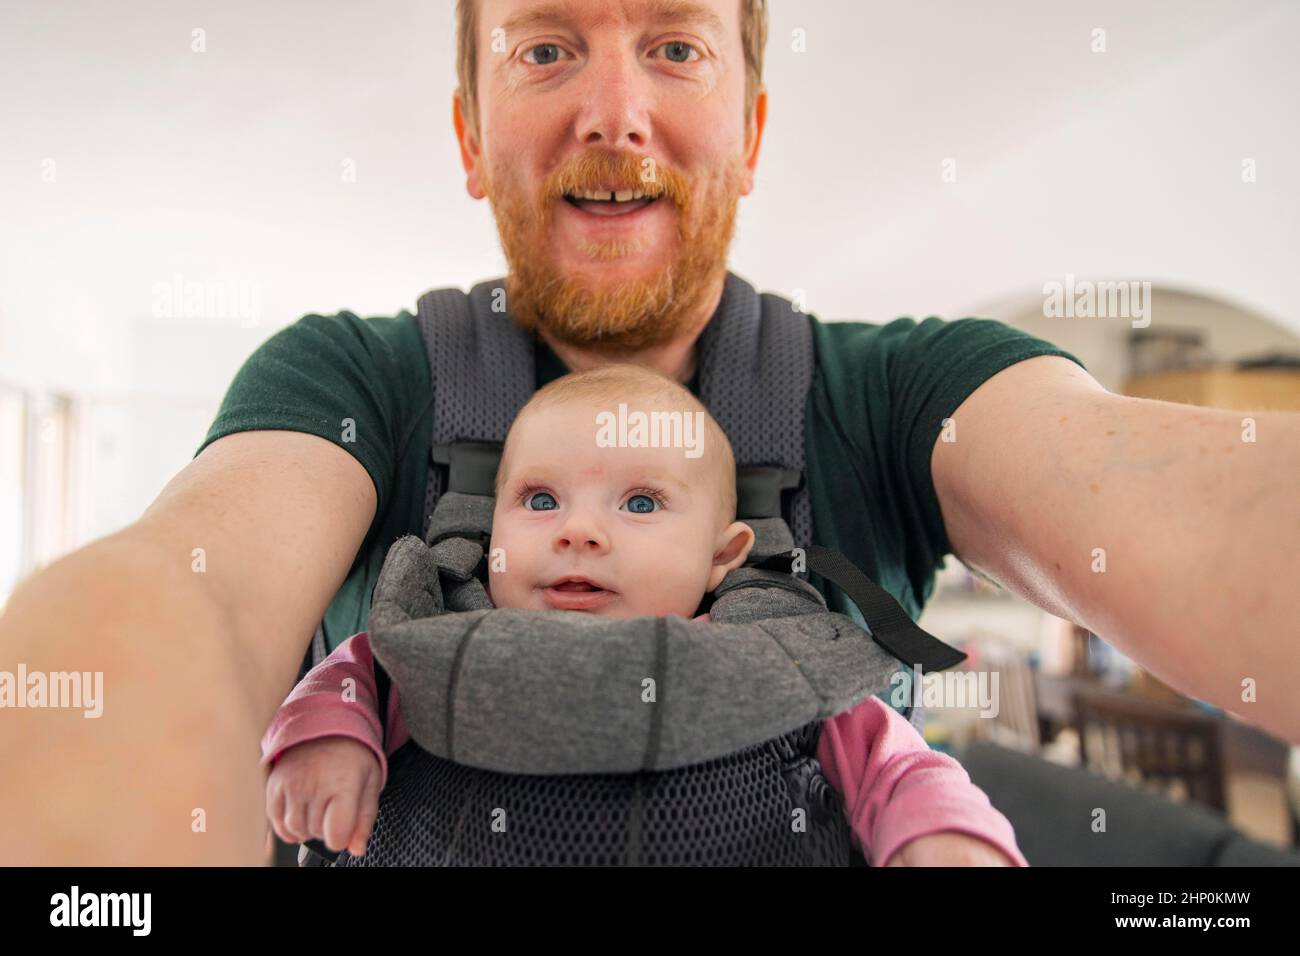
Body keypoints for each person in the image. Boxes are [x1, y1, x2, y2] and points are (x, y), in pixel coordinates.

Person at [1, 0, 1296, 865]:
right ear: (469, 134)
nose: (612, 112)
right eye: (545, 47)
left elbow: (1200, 511)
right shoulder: (356, 383)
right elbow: (187, 602)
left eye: (675, 46)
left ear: (750, 132)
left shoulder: (902, 394)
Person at [262, 364, 1026, 866]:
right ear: (488, 529)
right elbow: (346, 683)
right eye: (539, 500)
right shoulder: (426, 641)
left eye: (639, 502)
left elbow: (899, 766)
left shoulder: (781, 661)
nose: (578, 531)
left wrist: (946, 836)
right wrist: (328, 741)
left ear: (723, 557)